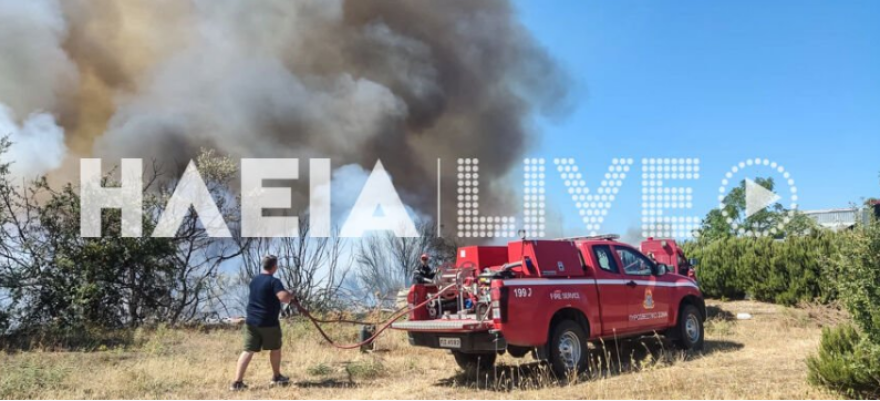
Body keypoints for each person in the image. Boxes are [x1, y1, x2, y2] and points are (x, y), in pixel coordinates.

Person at [230, 255, 295, 391]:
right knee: (275, 348)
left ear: (264, 265)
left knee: (248, 350)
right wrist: (291, 294)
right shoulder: (274, 281)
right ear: (274, 267)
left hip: (251, 321)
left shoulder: (255, 280)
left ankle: (237, 383)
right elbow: (283, 298)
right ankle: (276, 377)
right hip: (268, 323)